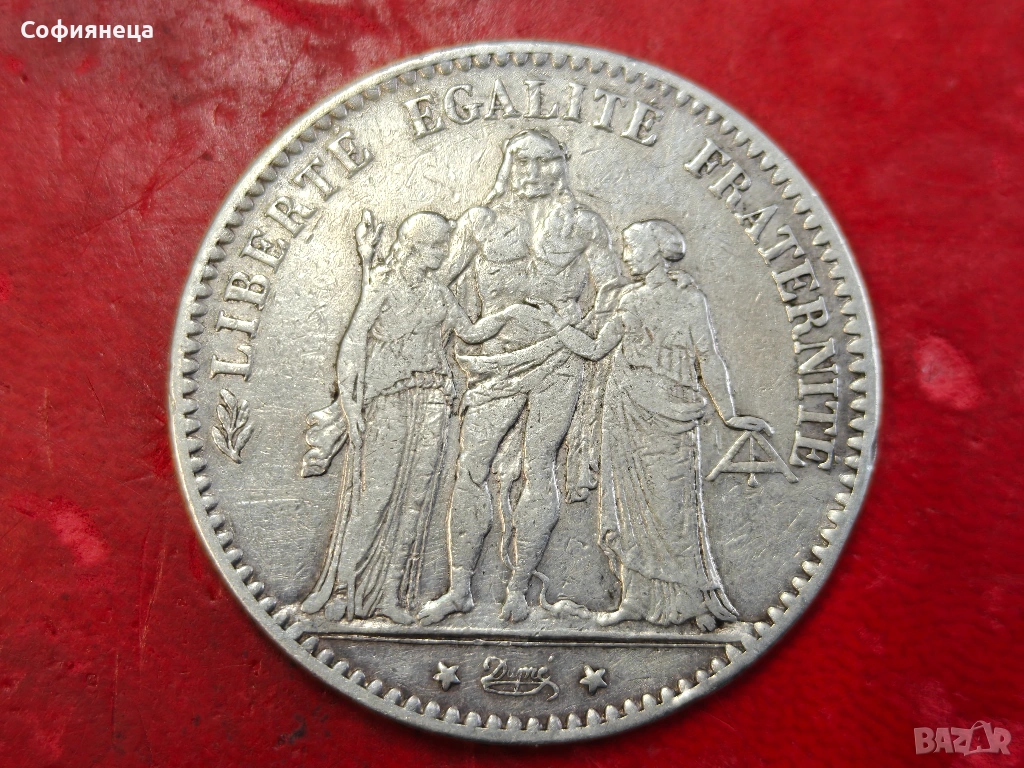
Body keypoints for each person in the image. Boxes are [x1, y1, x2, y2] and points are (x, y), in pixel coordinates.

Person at [418, 130, 624, 625]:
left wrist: (581, 328)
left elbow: (612, 288)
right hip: (494, 358)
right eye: (522, 161)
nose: (532, 173)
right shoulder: (479, 222)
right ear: (508, 166)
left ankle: (518, 590)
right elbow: (438, 284)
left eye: (544, 162)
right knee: (472, 466)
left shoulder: (584, 225)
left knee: (540, 465)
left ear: (561, 167)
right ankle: (460, 589)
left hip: (558, 360)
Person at [535, 220, 769, 630]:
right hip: (627, 411)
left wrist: (728, 413)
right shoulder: (630, 299)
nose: (626, 256)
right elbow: (596, 349)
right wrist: (558, 325)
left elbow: (708, 357)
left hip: (672, 413)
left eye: (633, 247)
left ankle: (695, 600)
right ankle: (635, 599)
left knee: (673, 508)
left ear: (658, 251)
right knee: (629, 509)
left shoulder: (690, 300)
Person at [300, 211, 527, 624]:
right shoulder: (384, 285)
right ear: (414, 246)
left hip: (433, 399)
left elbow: (471, 333)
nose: (443, 252)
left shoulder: (440, 293)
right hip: (389, 397)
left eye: (444, 244)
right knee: (376, 495)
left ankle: (391, 595)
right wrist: (349, 402)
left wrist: (513, 313)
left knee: (415, 501)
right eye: (436, 245)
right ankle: (343, 589)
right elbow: (354, 340)